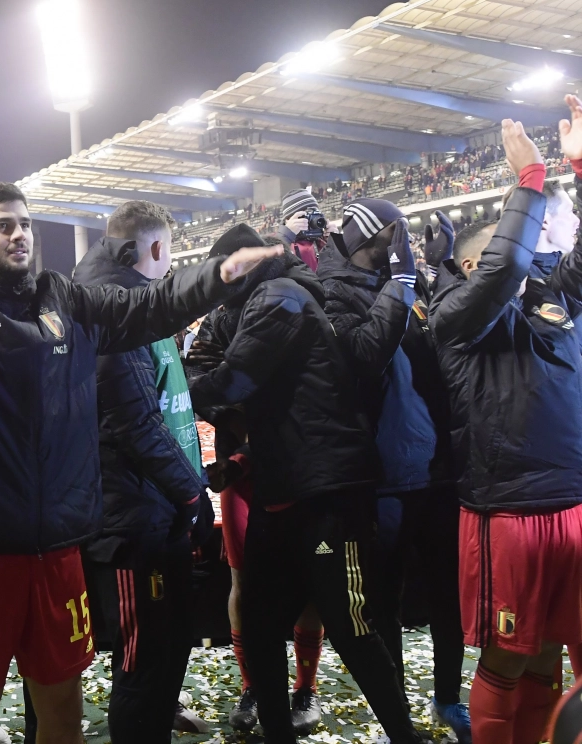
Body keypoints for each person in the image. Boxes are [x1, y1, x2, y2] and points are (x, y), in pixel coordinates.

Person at [0, 181, 279, 744]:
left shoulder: (63, 296)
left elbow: (147, 306)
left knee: (63, 711)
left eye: (25, 223)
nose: (19, 234)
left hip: (59, 548)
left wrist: (217, 277)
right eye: (3, 225)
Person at [187, 223, 422, 744]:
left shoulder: (279, 299)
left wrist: (179, 393)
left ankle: (404, 735)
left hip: (328, 493)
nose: (217, 284)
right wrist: (246, 452)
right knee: (263, 623)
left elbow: (232, 380)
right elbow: (282, 398)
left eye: (223, 271)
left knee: (353, 627)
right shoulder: (265, 299)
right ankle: (279, 733)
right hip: (288, 487)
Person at [429, 111, 582, 744]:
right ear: (473, 266)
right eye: (505, 247)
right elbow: (501, 272)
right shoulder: (455, 314)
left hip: (572, 500)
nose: (527, 250)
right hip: (508, 511)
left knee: (552, 652)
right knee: (509, 656)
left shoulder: (551, 297)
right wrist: (530, 177)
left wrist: (579, 168)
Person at [316, 203, 470, 741]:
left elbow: (448, 343)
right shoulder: (332, 292)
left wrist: (441, 269)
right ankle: (395, 717)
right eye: (395, 233)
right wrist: (402, 283)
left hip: (436, 471)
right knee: (385, 605)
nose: (404, 241)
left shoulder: (404, 281)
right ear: (370, 239)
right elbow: (362, 356)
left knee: (449, 596)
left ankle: (449, 700)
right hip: (381, 477)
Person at [70, 201, 211, 742]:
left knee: (164, 646)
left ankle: (156, 719)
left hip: (153, 506)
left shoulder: (132, 302)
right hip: (129, 520)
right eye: (169, 252)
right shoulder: (114, 309)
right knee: (142, 657)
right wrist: (192, 494)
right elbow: (133, 423)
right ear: (154, 249)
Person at [277, 188, 326, 270]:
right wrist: (287, 235)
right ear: (288, 220)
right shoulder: (277, 243)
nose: (311, 220)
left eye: (315, 213)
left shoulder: (321, 241)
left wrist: (334, 241)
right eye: (306, 215)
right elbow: (268, 268)